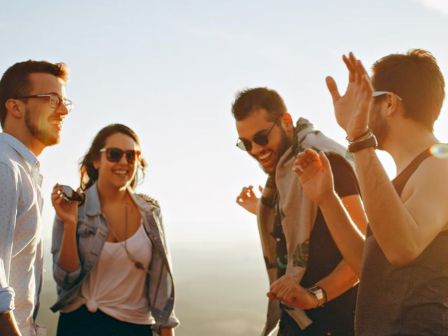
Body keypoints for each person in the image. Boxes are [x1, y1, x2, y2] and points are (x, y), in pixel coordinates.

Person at [291, 50, 448, 335]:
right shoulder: (410, 174)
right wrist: (327, 199)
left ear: (389, 103)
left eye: (367, 99)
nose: (359, 109)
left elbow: (403, 247)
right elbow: (372, 267)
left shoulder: (442, 164)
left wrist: (359, 138)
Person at [233, 87, 367, 336]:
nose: (255, 150)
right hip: (297, 321)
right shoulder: (286, 173)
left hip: (335, 322)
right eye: (246, 143)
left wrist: (316, 295)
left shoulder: (326, 162)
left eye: (261, 137)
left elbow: (363, 254)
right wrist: (261, 209)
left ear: (285, 122)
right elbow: (306, 223)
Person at [50, 124, 179, 336]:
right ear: (96, 160)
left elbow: (161, 284)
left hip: (134, 329)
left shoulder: (150, 212)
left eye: (132, 156)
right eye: (114, 154)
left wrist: (166, 331)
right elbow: (65, 279)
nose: (123, 162)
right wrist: (70, 223)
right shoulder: (73, 208)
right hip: (78, 326)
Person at [0, 60, 70, 336]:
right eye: (52, 100)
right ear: (15, 106)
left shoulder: (25, 171)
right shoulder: (6, 169)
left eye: (65, 103)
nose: (63, 111)